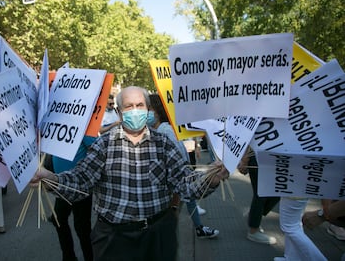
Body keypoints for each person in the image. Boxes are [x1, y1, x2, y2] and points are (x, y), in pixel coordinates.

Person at [31, 86, 229, 260]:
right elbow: (80, 181)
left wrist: (211, 178)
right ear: (119, 112)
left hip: (157, 234)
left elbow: (186, 183)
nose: (135, 111)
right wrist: (51, 179)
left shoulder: (164, 144)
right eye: (128, 106)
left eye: (140, 105)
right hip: (113, 237)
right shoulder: (104, 145)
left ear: (148, 109)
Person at [147, 94, 219, 239]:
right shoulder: (157, 130)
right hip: (171, 187)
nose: (145, 113)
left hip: (171, 186)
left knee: (178, 207)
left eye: (149, 109)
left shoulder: (165, 131)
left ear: (157, 111)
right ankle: (199, 229)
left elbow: (177, 163)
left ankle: (196, 229)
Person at [51, 135, 95, 261]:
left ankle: (89, 257)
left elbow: (95, 148)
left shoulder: (83, 127)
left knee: (82, 228)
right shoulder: (56, 127)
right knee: (58, 220)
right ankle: (68, 256)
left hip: (80, 186)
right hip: (61, 185)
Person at [238, 151, 280, 244]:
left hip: (274, 156)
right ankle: (253, 231)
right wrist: (244, 160)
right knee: (261, 194)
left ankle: (253, 216)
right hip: (258, 157)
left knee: (277, 191)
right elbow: (248, 137)